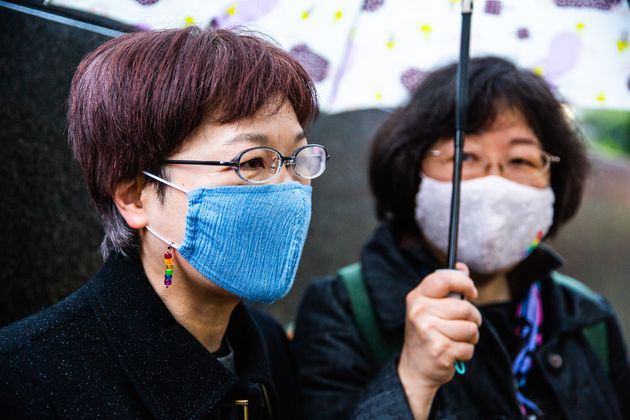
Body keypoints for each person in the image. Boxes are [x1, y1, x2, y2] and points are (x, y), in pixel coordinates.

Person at [0, 27, 327, 419]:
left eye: (297, 159)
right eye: (252, 162)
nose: (288, 189)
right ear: (135, 197)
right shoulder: (26, 376)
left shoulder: (268, 348)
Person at [293, 56, 630, 419]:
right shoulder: (343, 310)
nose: (494, 182)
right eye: (465, 156)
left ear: (556, 182)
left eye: (520, 160)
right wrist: (413, 379)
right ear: (412, 170)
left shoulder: (587, 315)